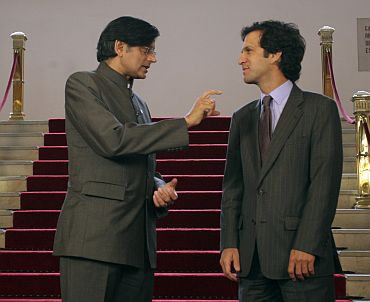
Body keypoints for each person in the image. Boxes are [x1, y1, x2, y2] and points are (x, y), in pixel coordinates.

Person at [53, 16, 221, 302]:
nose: (153, 58)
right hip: (94, 240)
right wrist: (186, 122)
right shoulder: (83, 83)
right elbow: (113, 141)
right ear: (120, 47)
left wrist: (157, 185)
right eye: (146, 49)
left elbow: (135, 160)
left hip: (138, 243)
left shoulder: (139, 102)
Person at [219, 20, 343, 301]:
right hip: (251, 263)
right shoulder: (243, 117)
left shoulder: (320, 110)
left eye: (249, 51)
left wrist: (307, 244)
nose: (241, 59)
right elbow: (233, 188)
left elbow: (324, 185)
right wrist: (229, 243)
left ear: (275, 55)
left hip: (301, 259)